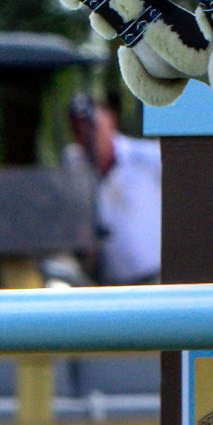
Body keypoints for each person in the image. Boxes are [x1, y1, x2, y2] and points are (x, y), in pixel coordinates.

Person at [66, 93, 162, 284]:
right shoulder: (73, 164)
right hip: (107, 285)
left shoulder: (146, 156)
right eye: (80, 129)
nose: (88, 136)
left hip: (155, 280)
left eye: (94, 127)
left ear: (110, 121)